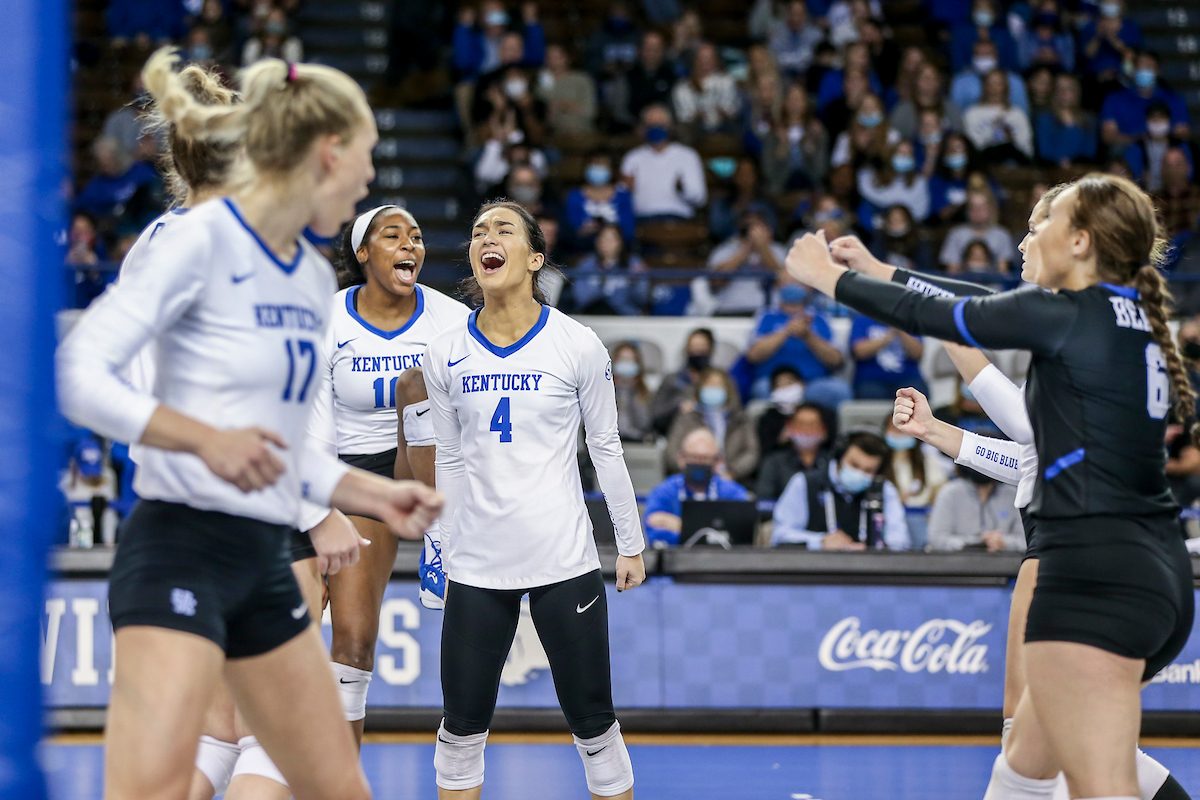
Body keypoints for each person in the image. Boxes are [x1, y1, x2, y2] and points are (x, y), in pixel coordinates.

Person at [56, 50, 445, 800]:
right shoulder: (193, 241)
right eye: (362, 161)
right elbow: (76, 375)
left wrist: (366, 494)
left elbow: (279, 446)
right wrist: (200, 438)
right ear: (320, 156)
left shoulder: (303, 274)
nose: (367, 182)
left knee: (336, 783)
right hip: (182, 545)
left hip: (265, 553)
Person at [787, 173, 1196, 800]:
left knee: (1096, 782)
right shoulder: (1133, 316)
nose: (1030, 235)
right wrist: (886, 270)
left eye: (1045, 222)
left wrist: (832, 279)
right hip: (1157, 572)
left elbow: (950, 315)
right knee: (1024, 767)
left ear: (1081, 241)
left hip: (1091, 569)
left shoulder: (1067, 317)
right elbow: (972, 305)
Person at [423, 200, 645, 800]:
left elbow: (607, 449)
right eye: (476, 231)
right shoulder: (442, 353)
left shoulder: (577, 343)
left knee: (595, 728)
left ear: (535, 258)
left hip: (563, 560)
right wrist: (435, 547)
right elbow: (448, 457)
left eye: (501, 229)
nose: (484, 238)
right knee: (460, 733)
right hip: (475, 563)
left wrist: (630, 545)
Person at [771, 431, 910, 549]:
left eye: (869, 471)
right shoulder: (804, 483)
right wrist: (820, 541)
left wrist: (877, 547)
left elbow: (900, 541)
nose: (860, 474)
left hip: (867, 571)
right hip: (813, 570)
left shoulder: (884, 490)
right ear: (838, 457)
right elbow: (780, 535)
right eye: (854, 465)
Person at [745, 282, 849, 407]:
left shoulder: (820, 318)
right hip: (775, 380)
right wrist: (786, 331)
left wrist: (808, 335)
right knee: (762, 389)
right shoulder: (766, 316)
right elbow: (753, 356)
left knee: (838, 391)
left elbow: (837, 361)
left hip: (813, 382)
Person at [644, 427, 750, 546]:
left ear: (718, 461)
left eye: (705, 458)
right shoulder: (663, 491)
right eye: (693, 457)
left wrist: (681, 526)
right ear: (681, 459)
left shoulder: (734, 493)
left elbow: (741, 537)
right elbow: (654, 534)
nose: (699, 463)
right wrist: (712, 533)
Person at [664, 367, 759, 483]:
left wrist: (732, 472)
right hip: (690, 480)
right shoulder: (687, 418)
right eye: (709, 385)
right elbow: (672, 452)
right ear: (700, 388)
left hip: (732, 480)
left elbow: (751, 452)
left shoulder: (741, 419)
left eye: (718, 385)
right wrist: (692, 470)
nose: (713, 389)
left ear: (727, 389)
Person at [689, 210, 786, 316]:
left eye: (757, 227)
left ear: (768, 230)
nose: (751, 232)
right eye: (747, 227)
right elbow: (716, 279)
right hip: (730, 309)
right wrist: (745, 250)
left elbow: (782, 279)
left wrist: (763, 248)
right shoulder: (726, 249)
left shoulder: (778, 250)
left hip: (767, 311)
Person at [619, 103, 707, 220]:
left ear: (670, 127)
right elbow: (619, 196)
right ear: (642, 128)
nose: (656, 128)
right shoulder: (632, 158)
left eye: (660, 124)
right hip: (642, 220)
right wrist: (626, 188)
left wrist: (683, 189)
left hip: (678, 220)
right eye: (651, 125)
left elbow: (700, 200)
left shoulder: (688, 155)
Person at [1100, 50, 1190, 151]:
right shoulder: (1114, 99)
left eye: (1149, 67)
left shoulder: (1175, 100)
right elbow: (1108, 137)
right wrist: (1142, 141)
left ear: (1158, 71)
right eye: (1140, 67)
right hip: (1127, 152)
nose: (1144, 71)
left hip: (1165, 151)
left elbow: (1182, 133)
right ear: (1133, 70)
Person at [881, 415, 947, 551]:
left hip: (921, 517)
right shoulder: (879, 463)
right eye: (895, 428)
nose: (899, 433)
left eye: (903, 429)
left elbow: (941, 488)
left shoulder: (926, 461)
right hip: (888, 516)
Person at [927, 466, 1023, 552]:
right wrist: (977, 544)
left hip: (1003, 564)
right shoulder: (949, 493)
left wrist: (1003, 542)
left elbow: (1026, 540)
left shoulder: (1013, 495)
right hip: (957, 564)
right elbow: (936, 538)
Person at [756, 402, 833, 507]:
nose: (806, 430)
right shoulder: (774, 462)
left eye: (812, 425)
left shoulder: (832, 462)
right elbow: (764, 500)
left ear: (823, 429)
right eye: (801, 424)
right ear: (790, 427)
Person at [563, 151, 636, 252]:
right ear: (586, 168)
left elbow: (628, 229)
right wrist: (584, 230)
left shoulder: (622, 196)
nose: (598, 168)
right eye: (595, 164)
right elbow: (570, 228)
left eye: (603, 165)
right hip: (583, 247)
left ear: (611, 170)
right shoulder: (574, 196)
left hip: (617, 248)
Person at [571, 223, 649, 315]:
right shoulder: (587, 265)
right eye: (603, 239)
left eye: (611, 239)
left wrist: (635, 282)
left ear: (620, 242)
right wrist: (602, 283)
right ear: (597, 242)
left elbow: (643, 299)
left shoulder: (633, 264)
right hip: (593, 316)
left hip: (625, 317)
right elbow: (580, 298)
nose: (607, 244)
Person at [650, 327, 715, 434]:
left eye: (702, 348)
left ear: (710, 350)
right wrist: (678, 407)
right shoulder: (671, 380)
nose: (697, 352)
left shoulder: (720, 380)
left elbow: (733, 409)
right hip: (675, 433)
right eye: (693, 347)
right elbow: (655, 415)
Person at [849, 312, 925, 399]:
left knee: (917, 392)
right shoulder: (862, 319)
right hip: (871, 379)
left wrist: (900, 329)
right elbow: (858, 352)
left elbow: (917, 354)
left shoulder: (909, 322)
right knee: (871, 393)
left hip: (907, 378)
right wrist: (888, 337)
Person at [964, 69, 1034, 164]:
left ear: (1006, 86)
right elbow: (972, 147)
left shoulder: (1017, 114)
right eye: (990, 83)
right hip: (984, 163)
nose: (994, 88)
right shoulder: (972, 113)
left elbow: (1028, 150)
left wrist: (1012, 138)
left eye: (998, 84)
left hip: (1015, 165)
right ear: (984, 86)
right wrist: (992, 130)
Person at [671, 41, 740, 136]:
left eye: (709, 58)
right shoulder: (682, 87)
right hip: (694, 130)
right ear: (694, 60)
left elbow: (731, 110)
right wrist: (698, 116)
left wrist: (721, 112)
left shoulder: (727, 81)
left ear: (716, 61)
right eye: (701, 58)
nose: (705, 62)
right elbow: (684, 117)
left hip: (724, 127)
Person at [940, 189, 1014, 273]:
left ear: (990, 209)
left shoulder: (1002, 235)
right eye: (973, 207)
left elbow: (1003, 271)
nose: (977, 211)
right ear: (967, 211)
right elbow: (952, 271)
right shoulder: (955, 234)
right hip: (964, 283)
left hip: (992, 284)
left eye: (981, 207)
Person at [856, 140, 930, 224]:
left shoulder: (919, 182)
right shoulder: (872, 177)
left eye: (908, 154)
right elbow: (866, 194)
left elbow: (921, 212)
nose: (903, 157)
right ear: (891, 154)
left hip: (907, 228)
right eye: (899, 152)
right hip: (876, 227)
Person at [949, 40, 1029, 116]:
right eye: (980, 55)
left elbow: (1023, 111)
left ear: (997, 56)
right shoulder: (960, 80)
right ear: (973, 56)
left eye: (988, 54)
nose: (984, 58)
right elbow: (956, 112)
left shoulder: (1015, 81)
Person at [1035, 73, 1097, 168]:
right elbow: (1044, 151)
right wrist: (1060, 162)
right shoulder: (1045, 119)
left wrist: (1073, 163)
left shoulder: (1088, 120)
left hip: (1080, 170)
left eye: (1069, 88)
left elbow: (1090, 151)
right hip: (1051, 170)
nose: (1065, 92)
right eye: (1060, 88)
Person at [537, 43, 597, 135]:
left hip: (582, 132)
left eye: (557, 56)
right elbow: (544, 110)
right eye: (549, 56)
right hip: (553, 133)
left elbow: (590, 111)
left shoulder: (582, 80)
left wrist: (564, 105)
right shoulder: (543, 80)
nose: (552, 60)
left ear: (567, 58)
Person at [625, 31, 676, 122]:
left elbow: (676, 107)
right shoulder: (627, 76)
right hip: (634, 129)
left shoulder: (671, 76)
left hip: (666, 126)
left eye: (656, 49)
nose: (652, 54)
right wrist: (636, 126)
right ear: (640, 50)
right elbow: (619, 111)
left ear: (663, 51)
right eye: (648, 49)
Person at [769, 0, 825, 79]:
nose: (796, 18)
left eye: (800, 14)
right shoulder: (776, 36)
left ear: (806, 15)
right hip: (783, 78)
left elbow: (819, 61)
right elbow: (774, 62)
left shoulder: (816, 36)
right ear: (787, 14)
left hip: (810, 79)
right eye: (793, 14)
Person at [610, 342, 654, 442]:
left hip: (637, 439)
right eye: (622, 359)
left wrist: (631, 391)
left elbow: (645, 422)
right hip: (611, 440)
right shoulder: (606, 390)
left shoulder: (644, 391)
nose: (626, 363)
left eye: (630, 360)